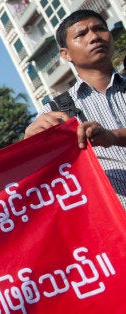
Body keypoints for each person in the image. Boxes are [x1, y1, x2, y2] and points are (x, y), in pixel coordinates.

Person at [24, 9, 126, 207]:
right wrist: (29, 143)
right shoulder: (53, 112)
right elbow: (38, 177)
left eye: (99, 29)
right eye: (81, 34)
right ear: (65, 54)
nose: (94, 37)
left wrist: (112, 137)